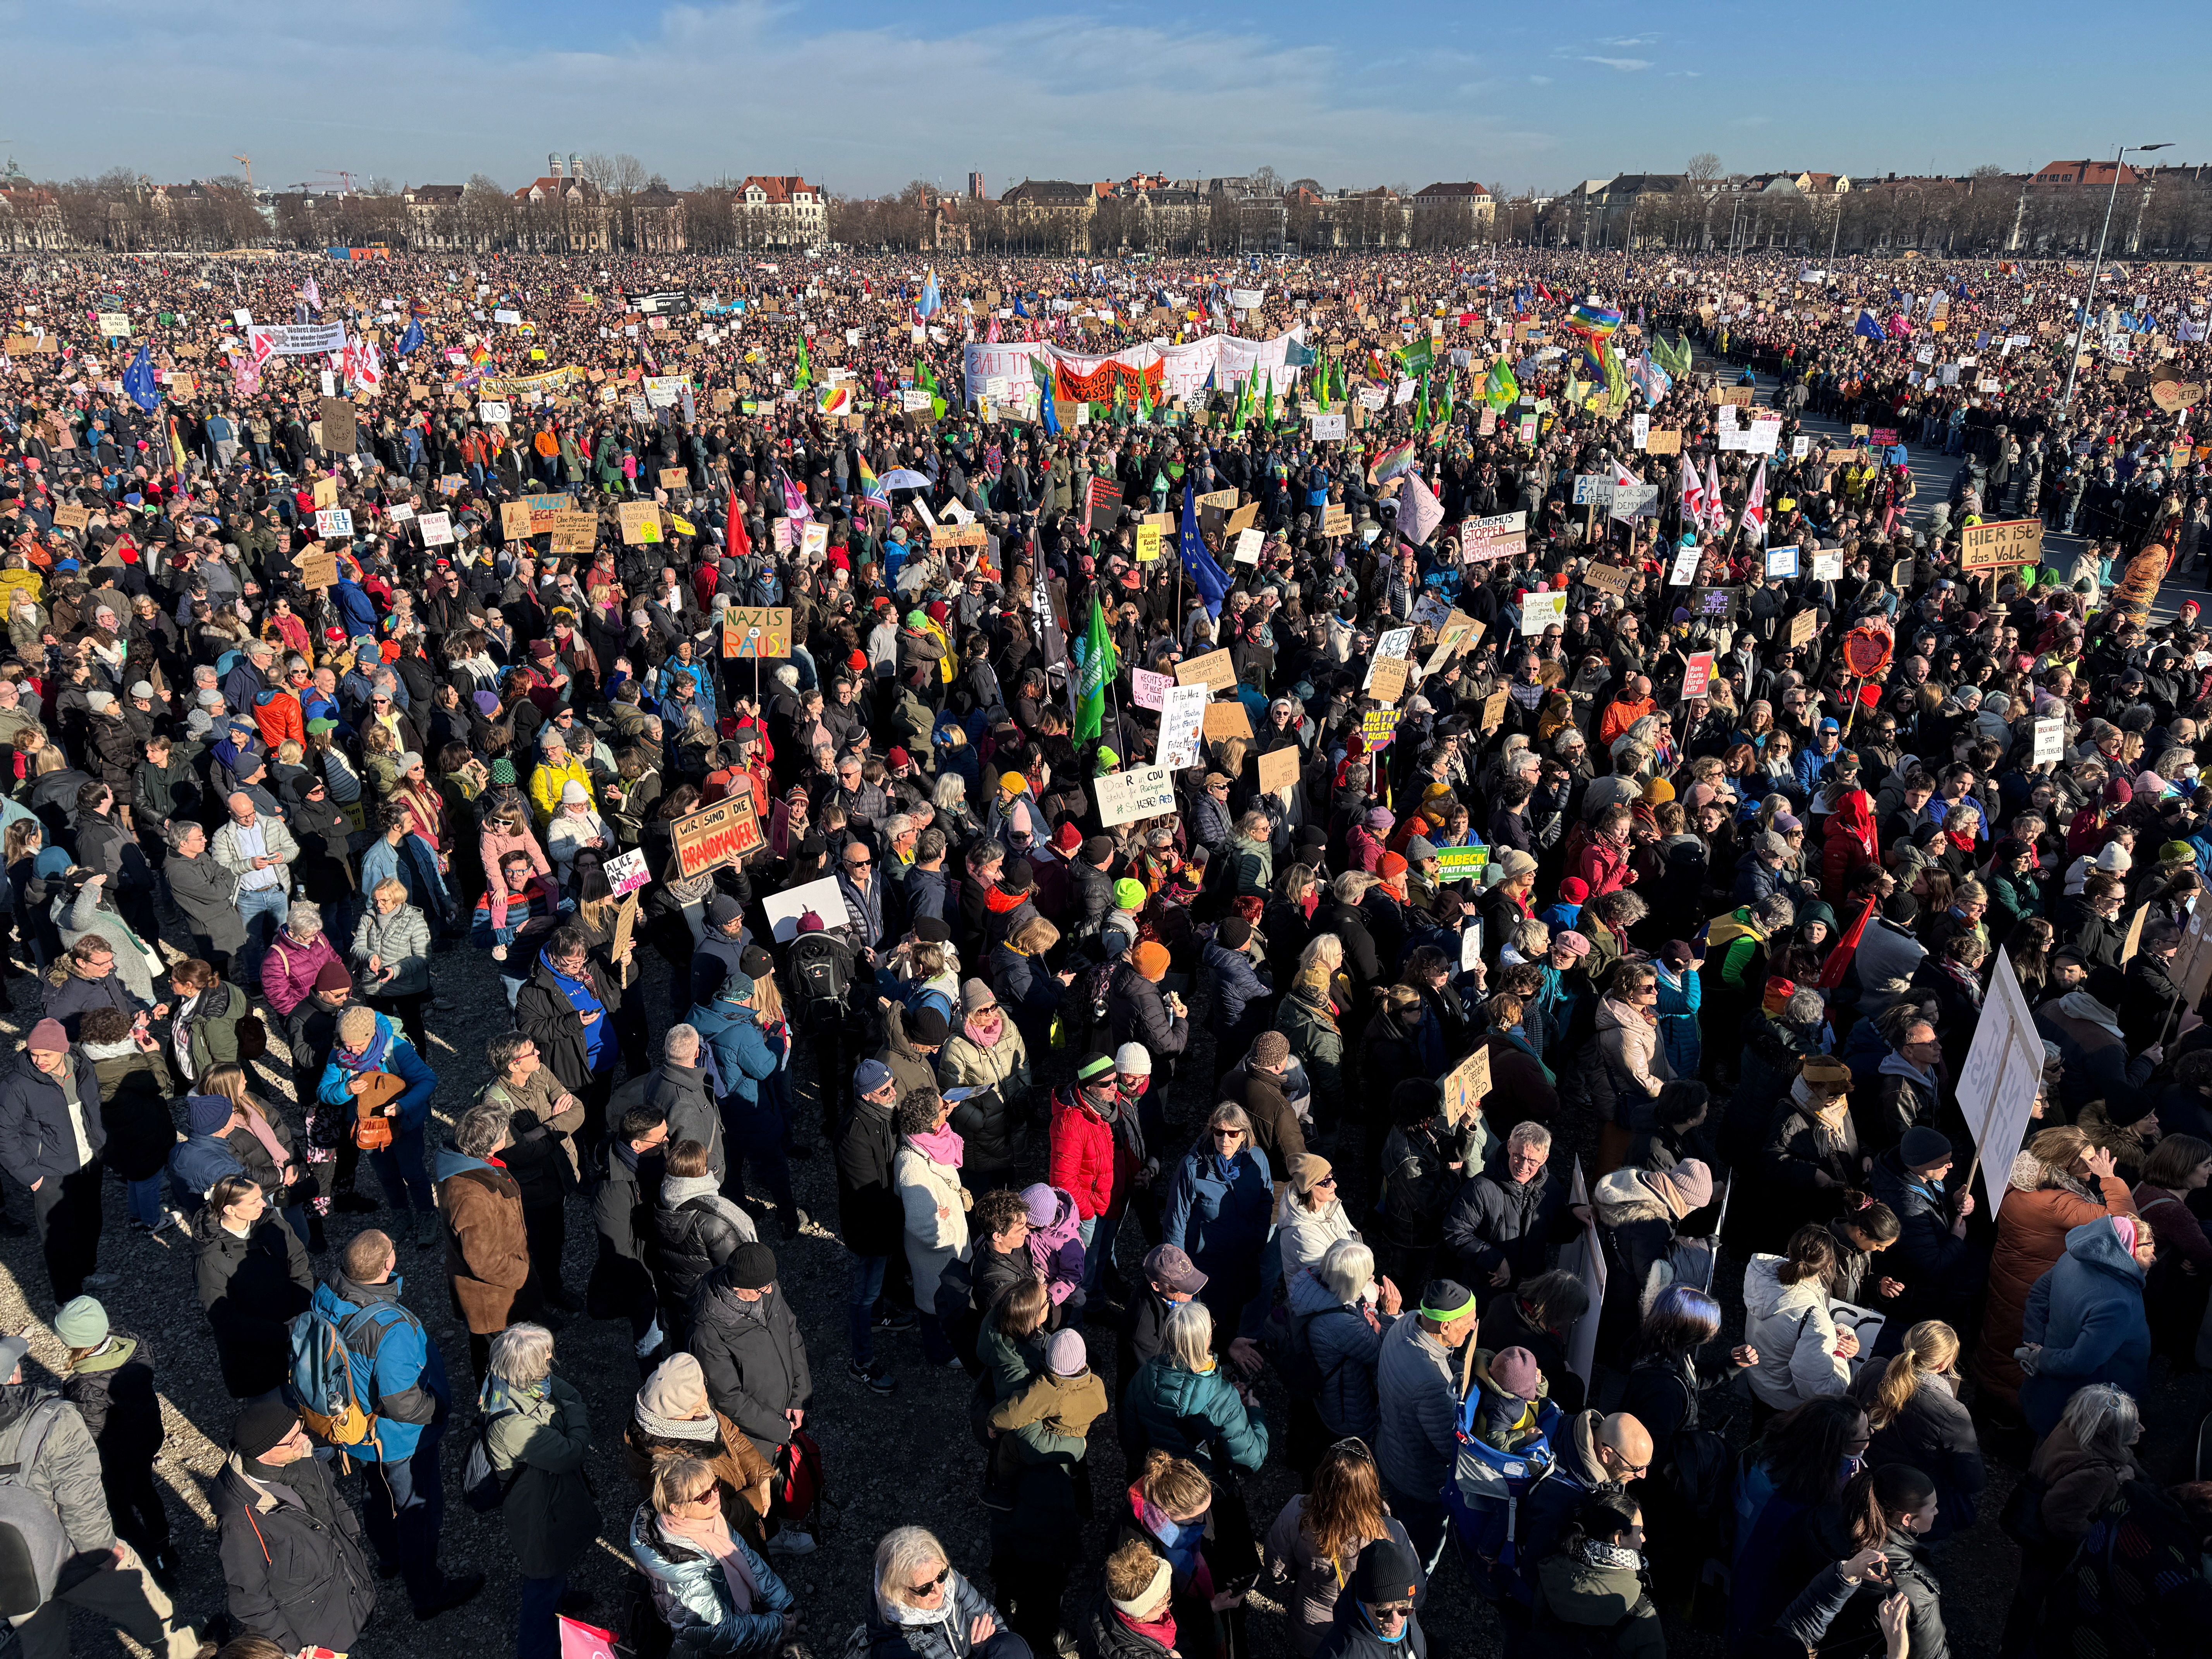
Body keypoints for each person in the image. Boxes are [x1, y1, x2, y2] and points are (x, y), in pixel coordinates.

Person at [307, 1226, 484, 1617]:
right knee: (417, 1509)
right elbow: (403, 1403)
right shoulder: (390, 1329)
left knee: (375, 1492)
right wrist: (438, 1410)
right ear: (389, 1264)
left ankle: (389, 1559)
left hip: (356, 1431)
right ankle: (426, 1591)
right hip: (399, 1440)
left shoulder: (328, 1293)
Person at [211, 1396, 377, 1656]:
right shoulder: (241, 1520)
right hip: (317, 1631)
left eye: (300, 1429)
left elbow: (332, 1497)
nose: (305, 1439)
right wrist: (293, 1650)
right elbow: (251, 1600)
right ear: (265, 1454)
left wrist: (352, 1537)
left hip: (348, 1586)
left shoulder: (298, 1456)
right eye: (292, 1439)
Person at [480, 1323, 601, 1659]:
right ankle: (536, 1649)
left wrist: (570, 1406)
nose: (551, 1359)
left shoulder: (508, 1381)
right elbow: (571, 1452)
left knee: (554, 1563)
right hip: (538, 1508)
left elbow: (565, 1393)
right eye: (545, 1357)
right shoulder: (512, 1424)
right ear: (527, 1368)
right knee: (542, 1574)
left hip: (549, 1496)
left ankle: (560, 1601)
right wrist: (576, 1414)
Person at [687, 1242, 816, 1553]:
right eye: (760, 1289)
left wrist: (799, 1397)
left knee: (782, 1474)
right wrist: (779, 1430)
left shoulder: (767, 1290)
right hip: (751, 1434)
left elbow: (792, 1335)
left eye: (770, 1285)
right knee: (758, 1488)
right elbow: (729, 1398)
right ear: (738, 1287)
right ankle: (771, 1539)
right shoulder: (709, 1331)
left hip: (782, 1415)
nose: (768, 1293)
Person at [53, 1295, 172, 1586]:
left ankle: (155, 1566)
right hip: (146, 1439)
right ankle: (166, 1548)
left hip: (116, 1457)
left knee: (119, 1511)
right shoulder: (134, 1348)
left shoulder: (87, 1388)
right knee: (146, 1491)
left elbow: (91, 1435)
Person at [630, 1454, 798, 1658]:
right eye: (704, 1496)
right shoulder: (685, 1575)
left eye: (715, 1485)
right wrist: (779, 1625)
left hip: (733, 1619)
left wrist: (784, 1602)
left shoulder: (709, 1520)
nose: (716, 1495)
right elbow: (722, 1632)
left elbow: (747, 1557)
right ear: (678, 1510)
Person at [1262, 1439, 1420, 1656]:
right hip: (1368, 1630)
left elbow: (1276, 1571)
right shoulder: (1391, 1531)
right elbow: (1416, 1590)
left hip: (1313, 1624)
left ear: (1321, 1479)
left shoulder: (1296, 1513)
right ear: (1370, 1485)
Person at [0, 1018, 114, 1302]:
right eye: (34, 1053)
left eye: (46, 1055)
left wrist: (102, 1146)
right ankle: (68, 1300)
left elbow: (94, 1106)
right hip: (50, 1174)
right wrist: (33, 1178)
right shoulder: (16, 1085)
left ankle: (87, 1273)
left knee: (91, 1223)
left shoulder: (82, 1066)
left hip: (89, 1162)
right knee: (58, 1239)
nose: (39, 1060)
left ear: (63, 1051)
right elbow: (4, 1135)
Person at [1374, 1278, 1480, 1572]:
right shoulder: (1431, 1383)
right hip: (1417, 1483)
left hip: (1390, 1454)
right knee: (1417, 1551)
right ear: (1444, 1327)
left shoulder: (1408, 1321)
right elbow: (1450, 1447)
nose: (1473, 1328)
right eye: (1468, 1323)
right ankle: (1410, 1593)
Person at [2018, 1214, 2156, 1436]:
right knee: (2069, 1462)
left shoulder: (2073, 1259)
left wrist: (2034, 1341)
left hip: (2048, 1393)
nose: (2154, 1256)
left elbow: (2038, 1295)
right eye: (2148, 1246)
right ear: (2125, 1246)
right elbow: (2079, 1363)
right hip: (2090, 1415)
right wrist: (2039, 1357)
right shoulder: (2116, 1301)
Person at [625, 1351, 777, 1552]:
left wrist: (761, 1476)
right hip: (726, 1543)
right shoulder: (671, 1466)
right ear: (678, 1413)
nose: (706, 1397)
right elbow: (715, 1514)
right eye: (697, 1400)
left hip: (744, 1514)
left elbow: (731, 1436)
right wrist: (758, 1499)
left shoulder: (694, 1415)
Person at [1848, 1320, 1985, 1541]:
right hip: (1911, 1507)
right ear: (1942, 1365)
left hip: (1860, 1484)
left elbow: (1847, 1415)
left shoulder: (1873, 1369)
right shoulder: (1951, 1412)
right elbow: (1973, 1480)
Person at [436, 1102, 544, 1380]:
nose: (507, 1136)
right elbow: (483, 1261)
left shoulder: (473, 1166)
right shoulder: (471, 1196)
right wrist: (524, 1275)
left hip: (500, 1291)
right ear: (490, 1144)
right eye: (504, 1133)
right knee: (497, 1364)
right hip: (494, 1300)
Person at [319, 1001, 440, 1247]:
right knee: (386, 1175)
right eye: (347, 1045)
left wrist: (404, 1106)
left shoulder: (397, 1050)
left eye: (358, 1046)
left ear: (371, 1035)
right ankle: (401, 1215)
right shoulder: (339, 1055)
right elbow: (324, 1092)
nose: (352, 1052)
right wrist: (345, 1089)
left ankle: (428, 1215)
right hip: (369, 1130)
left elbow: (428, 1080)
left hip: (404, 1125)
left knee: (413, 1172)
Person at [192, 1173, 312, 1399]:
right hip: (254, 1351)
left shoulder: (273, 1223)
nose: (264, 1204)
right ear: (230, 1210)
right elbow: (225, 1318)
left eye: (261, 1197)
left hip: (295, 1325)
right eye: (254, 1201)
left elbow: (299, 1266)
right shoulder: (210, 1259)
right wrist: (282, 1333)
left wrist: (302, 1314)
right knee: (275, 1411)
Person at [1161, 1104, 1274, 1338]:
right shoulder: (1192, 1167)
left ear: (1244, 1134)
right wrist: (1179, 1274)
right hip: (1206, 1263)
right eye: (1219, 1132)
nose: (1225, 1139)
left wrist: (1258, 1238)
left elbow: (1266, 1198)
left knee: (1236, 1312)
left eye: (1233, 1133)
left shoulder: (1257, 1159)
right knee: (1204, 1323)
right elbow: (1176, 1221)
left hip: (1243, 1258)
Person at [1123, 1299, 1269, 1477]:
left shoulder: (1142, 1377)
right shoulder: (1224, 1399)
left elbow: (1131, 1438)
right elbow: (1251, 1461)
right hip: (1203, 1487)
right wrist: (1254, 1414)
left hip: (1161, 1479)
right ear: (1207, 1339)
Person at [516, 923, 626, 1146]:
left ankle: (597, 1152)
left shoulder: (590, 970)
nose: (578, 966)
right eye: (571, 963)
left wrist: (627, 965)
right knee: (574, 1124)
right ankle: (579, 1170)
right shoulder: (534, 991)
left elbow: (619, 986)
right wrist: (574, 1022)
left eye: (581, 960)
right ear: (555, 956)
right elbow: (530, 1030)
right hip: (574, 1073)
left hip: (605, 1062)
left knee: (599, 1111)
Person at [1518, 1493, 1661, 1659]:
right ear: (1619, 1538)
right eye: (1640, 1531)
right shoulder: (1641, 1612)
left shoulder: (1552, 1570)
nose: (1643, 1538)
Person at [855, 1524, 1028, 1659]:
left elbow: (993, 1621)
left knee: (1011, 1646)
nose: (940, 1591)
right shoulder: (898, 1649)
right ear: (899, 1592)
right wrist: (983, 1650)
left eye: (942, 1575)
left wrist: (988, 1648)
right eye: (925, 1589)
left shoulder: (944, 1578)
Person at [893, 1087, 973, 1366]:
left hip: (949, 1252)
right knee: (934, 1307)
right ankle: (940, 1353)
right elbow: (923, 1226)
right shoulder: (911, 1166)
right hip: (937, 1256)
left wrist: (946, 1213)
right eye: (943, 1107)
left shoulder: (930, 1143)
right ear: (931, 1122)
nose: (947, 1106)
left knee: (950, 1303)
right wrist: (950, 1231)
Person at [656, 1137, 758, 1345]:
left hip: (682, 1296)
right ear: (702, 1171)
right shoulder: (714, 1222)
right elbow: (737, 1271)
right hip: (711, 1303)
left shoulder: (664, 1200)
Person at [352, 874, 434, 1054]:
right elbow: (357, 946)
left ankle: (418, 1068)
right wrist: (369, 955)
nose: (379, 904)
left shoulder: (414, 920)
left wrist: (397, 970)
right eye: (376, 900)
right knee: (380, 1030)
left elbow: (423, 956)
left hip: (406, 987)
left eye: (384, 900)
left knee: (412, 1028)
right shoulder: (368, 917)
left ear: (397, 899)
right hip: (374, 985)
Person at [1311, 1536, 1429, 1659]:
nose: (1396, 1621)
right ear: (1363, 1602)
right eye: (1383, 1611)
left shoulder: (1406, 1615)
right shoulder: (1342, 1654)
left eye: (1404, 1608)